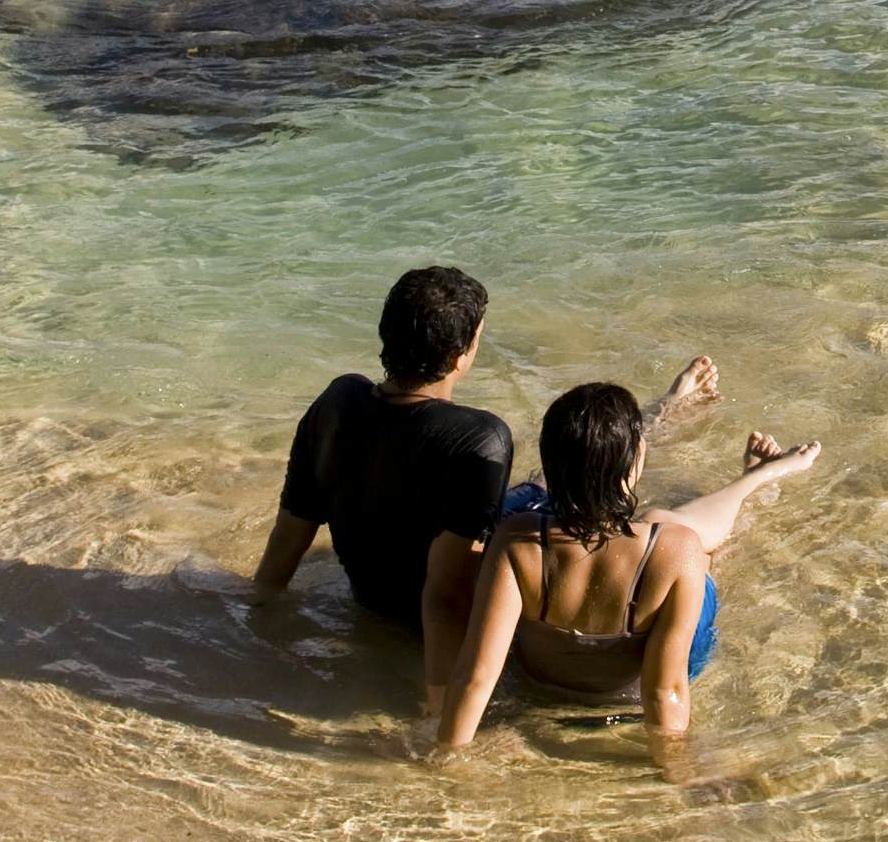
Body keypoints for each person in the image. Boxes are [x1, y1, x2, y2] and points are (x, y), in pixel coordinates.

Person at [250, 267, 713, 719]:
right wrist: (438, 704)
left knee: (551, 479)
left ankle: (657, 417)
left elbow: (292, 527)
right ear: (461, 357)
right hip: (451, 615)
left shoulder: (339, 399)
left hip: (372, 598)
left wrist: (257, 614)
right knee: (590, 484)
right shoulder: (477, 437)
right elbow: (446, 592)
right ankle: (651, 425)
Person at [435, 379, 819, 761]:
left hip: (542, 689)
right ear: (636, 464)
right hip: (630, 697)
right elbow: (664, 690)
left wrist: (446, 755)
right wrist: (676, 772)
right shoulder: (673, 548)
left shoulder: (516, 542)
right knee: (686, 543)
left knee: (661, 535)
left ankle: (743, 474)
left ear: (551, 470)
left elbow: (476, 676)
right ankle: (753, 482)